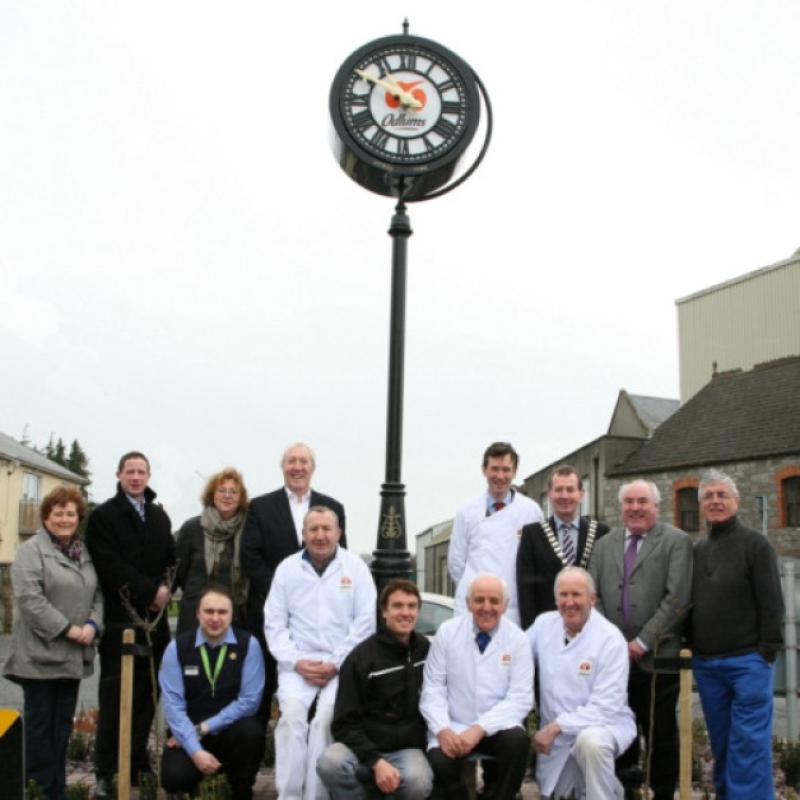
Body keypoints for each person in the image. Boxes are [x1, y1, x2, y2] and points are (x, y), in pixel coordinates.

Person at [589, 479, 692, 800]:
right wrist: (615, 641)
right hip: (614, 658)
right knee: (621, 730)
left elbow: (679, 598)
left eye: (642, 502)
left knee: (660, 731)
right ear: (621, 507)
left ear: (656, 506)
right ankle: (626, 790)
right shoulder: (605, 544)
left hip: (658, 656)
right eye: (629, 502)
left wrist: (642, 642)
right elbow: (594, 595)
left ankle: (662, 792)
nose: (635, 508)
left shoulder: (676, 541)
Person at [266, 505, 376, 800]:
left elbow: (365, 623)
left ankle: (316, 797)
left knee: (325, 720)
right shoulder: (287, 569)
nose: (320, 535)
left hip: (341, 666)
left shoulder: (356, 568)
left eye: (327, 529)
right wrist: (296, 661)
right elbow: (274, 624)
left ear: (338, 532)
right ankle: (289, 796)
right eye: (313, 529)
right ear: (303, 534)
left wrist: (335, 663)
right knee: (290, 720)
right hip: (297, 665)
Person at [3, 486, 102, 800]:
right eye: (58, 513)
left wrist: (92, 624)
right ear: (46, 517)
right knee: (40, 733)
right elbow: (30, 601)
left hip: (73, 660)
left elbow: (98, 593)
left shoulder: (83, 551)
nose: (64, 519)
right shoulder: (32, 550)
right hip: (40, 659)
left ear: (78, 518)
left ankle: (56, 790)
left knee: (61, 731)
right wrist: (69, 630)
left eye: (70, 513)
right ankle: (39, 791)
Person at [86, 451, 176, 797]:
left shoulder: (159, 517)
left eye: (141, 472)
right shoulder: (103, 517)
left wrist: (166, 589)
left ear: (149, 476)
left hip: (155, 624)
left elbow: (170, 559)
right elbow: (109, 566)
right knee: (114, 699)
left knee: (145, 698)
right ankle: (107, 770)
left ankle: (136, 762)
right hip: (120, 619)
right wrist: (150, 591)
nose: (136, 477)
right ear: (119, 474)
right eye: (130, 471)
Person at [691, 469, 784, 800]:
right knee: (723, 743)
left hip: (749, 662)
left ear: (736, 501)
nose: (715, 501)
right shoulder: (698, 550)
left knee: (749, 745)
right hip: (708, 665)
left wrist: (766, 652)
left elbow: (772, 601)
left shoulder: (756, 545)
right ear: (701, 504)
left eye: (722, 495)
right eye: (709, 496)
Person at [241, 443, 347, 708]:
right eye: (291, 461)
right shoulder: (260, 507)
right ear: (283, 467)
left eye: (303, 462)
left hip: (320, 624)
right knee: (266, 693)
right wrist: (286, 590)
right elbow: (250, 557)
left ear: (312, 468)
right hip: (272, 613)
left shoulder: (333, 507)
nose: (297, 467)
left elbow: (341, 560)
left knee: (320, 701)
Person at [317, 578, 433, 800]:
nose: (405, 612)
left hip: (407, 747)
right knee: (330, 763)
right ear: (384, 611)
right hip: (363, 745)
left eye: (411, 606)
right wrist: (375, 761)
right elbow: (344, 721)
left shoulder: (426, 651)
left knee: (418, 782)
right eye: (397, 606)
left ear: (418, 611)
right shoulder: (361, 658)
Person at [420, 573, 533, 800]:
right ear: (468, 603)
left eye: (494, 601)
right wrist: (442, 728)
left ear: (505, 605)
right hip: (454, 724)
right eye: (479, 600)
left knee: (518, 743)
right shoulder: (447, 632)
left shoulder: (518, 639)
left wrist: (480, 728)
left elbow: (520, 698)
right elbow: (433, 688)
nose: (486, 607)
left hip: (497, 727)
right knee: (439, 763)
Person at [529, 567, 636, 799]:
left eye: (576, 595)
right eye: (563, 595)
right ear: (555, 598)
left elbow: (605, 707)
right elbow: (516, 659)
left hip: (604, 725)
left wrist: (555, 727)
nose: (569, 602)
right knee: (559, 794)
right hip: (556, 742)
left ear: (592, 598)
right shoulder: (542, 625)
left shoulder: (610, 639)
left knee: (591, 743)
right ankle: (616, 791)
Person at [159, 586, 265, 799]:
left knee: (252, 732)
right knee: (174, 778)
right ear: (197, 613)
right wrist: (195, 751)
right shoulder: (177, 648)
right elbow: (173, 707)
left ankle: (240, 790)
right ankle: (197, 781)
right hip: (188, 734)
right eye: (209, 611)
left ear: (232, 615)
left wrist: (204, 728)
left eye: (222, 612)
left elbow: (249, 702)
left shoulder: (249, 645)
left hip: (231, 732)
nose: (215, 618)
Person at [448, 442, 543, 627]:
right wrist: (476, 592)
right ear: (484, 470)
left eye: (506, 470)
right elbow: (456, 563)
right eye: (494, 469)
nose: (500, 476)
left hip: (512, 610)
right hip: (471, 610)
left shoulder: (531, 511)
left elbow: (536, 562)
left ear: (515, 472)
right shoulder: (466, 512)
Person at [517, 464, 609, 629]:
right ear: (550, 495)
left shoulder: (601, 533)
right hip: (547, 630)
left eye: (570, 489)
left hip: (591, 628)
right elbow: (526, 591)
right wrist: (530, 633)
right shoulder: (532, 534)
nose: (564, 495)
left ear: (581, 494)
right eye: (558, 490)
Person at [174, 467, 250, 634]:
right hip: (194, 618)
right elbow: (180, 573)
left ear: (241, 498)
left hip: (235, 619)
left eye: (233, 492)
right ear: (212, 495)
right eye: (222, 490)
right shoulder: (192, 528)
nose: (227, 496)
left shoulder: (249, 530)